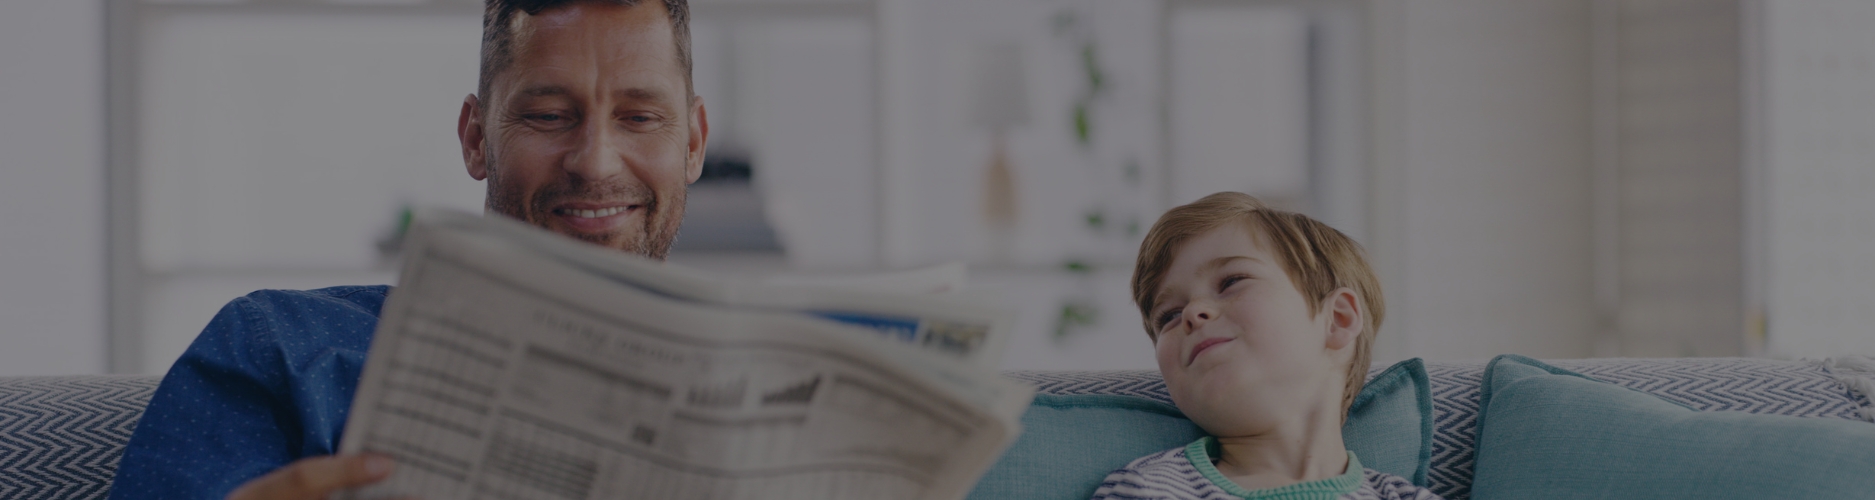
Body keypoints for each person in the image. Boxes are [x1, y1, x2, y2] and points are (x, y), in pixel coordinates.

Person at [108, 0, 708, 498]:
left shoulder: (784, 384)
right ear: (476, 140)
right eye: (549, 115)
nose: (595, 161)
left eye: (640, 117)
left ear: (694, 142)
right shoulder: (275, 348)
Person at [1090, 192, 1439, 500]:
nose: (1192, 314)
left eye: (1231, 282)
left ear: (1338, 320)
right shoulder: (1147, 490)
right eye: (1168, 315)